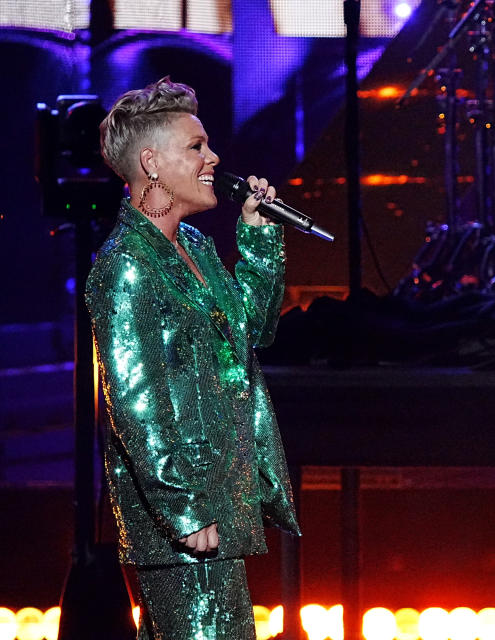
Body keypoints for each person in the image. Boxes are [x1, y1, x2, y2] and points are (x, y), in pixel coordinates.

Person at [86, 76, 300, 639]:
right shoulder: (126, 265)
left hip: (218, 499)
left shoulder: (196, 247)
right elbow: (135, 400)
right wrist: (180, 506)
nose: (214, 157)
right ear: (151, 162)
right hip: (182, 517)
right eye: (196, 147)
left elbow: (251, 333)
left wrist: (257, 237)